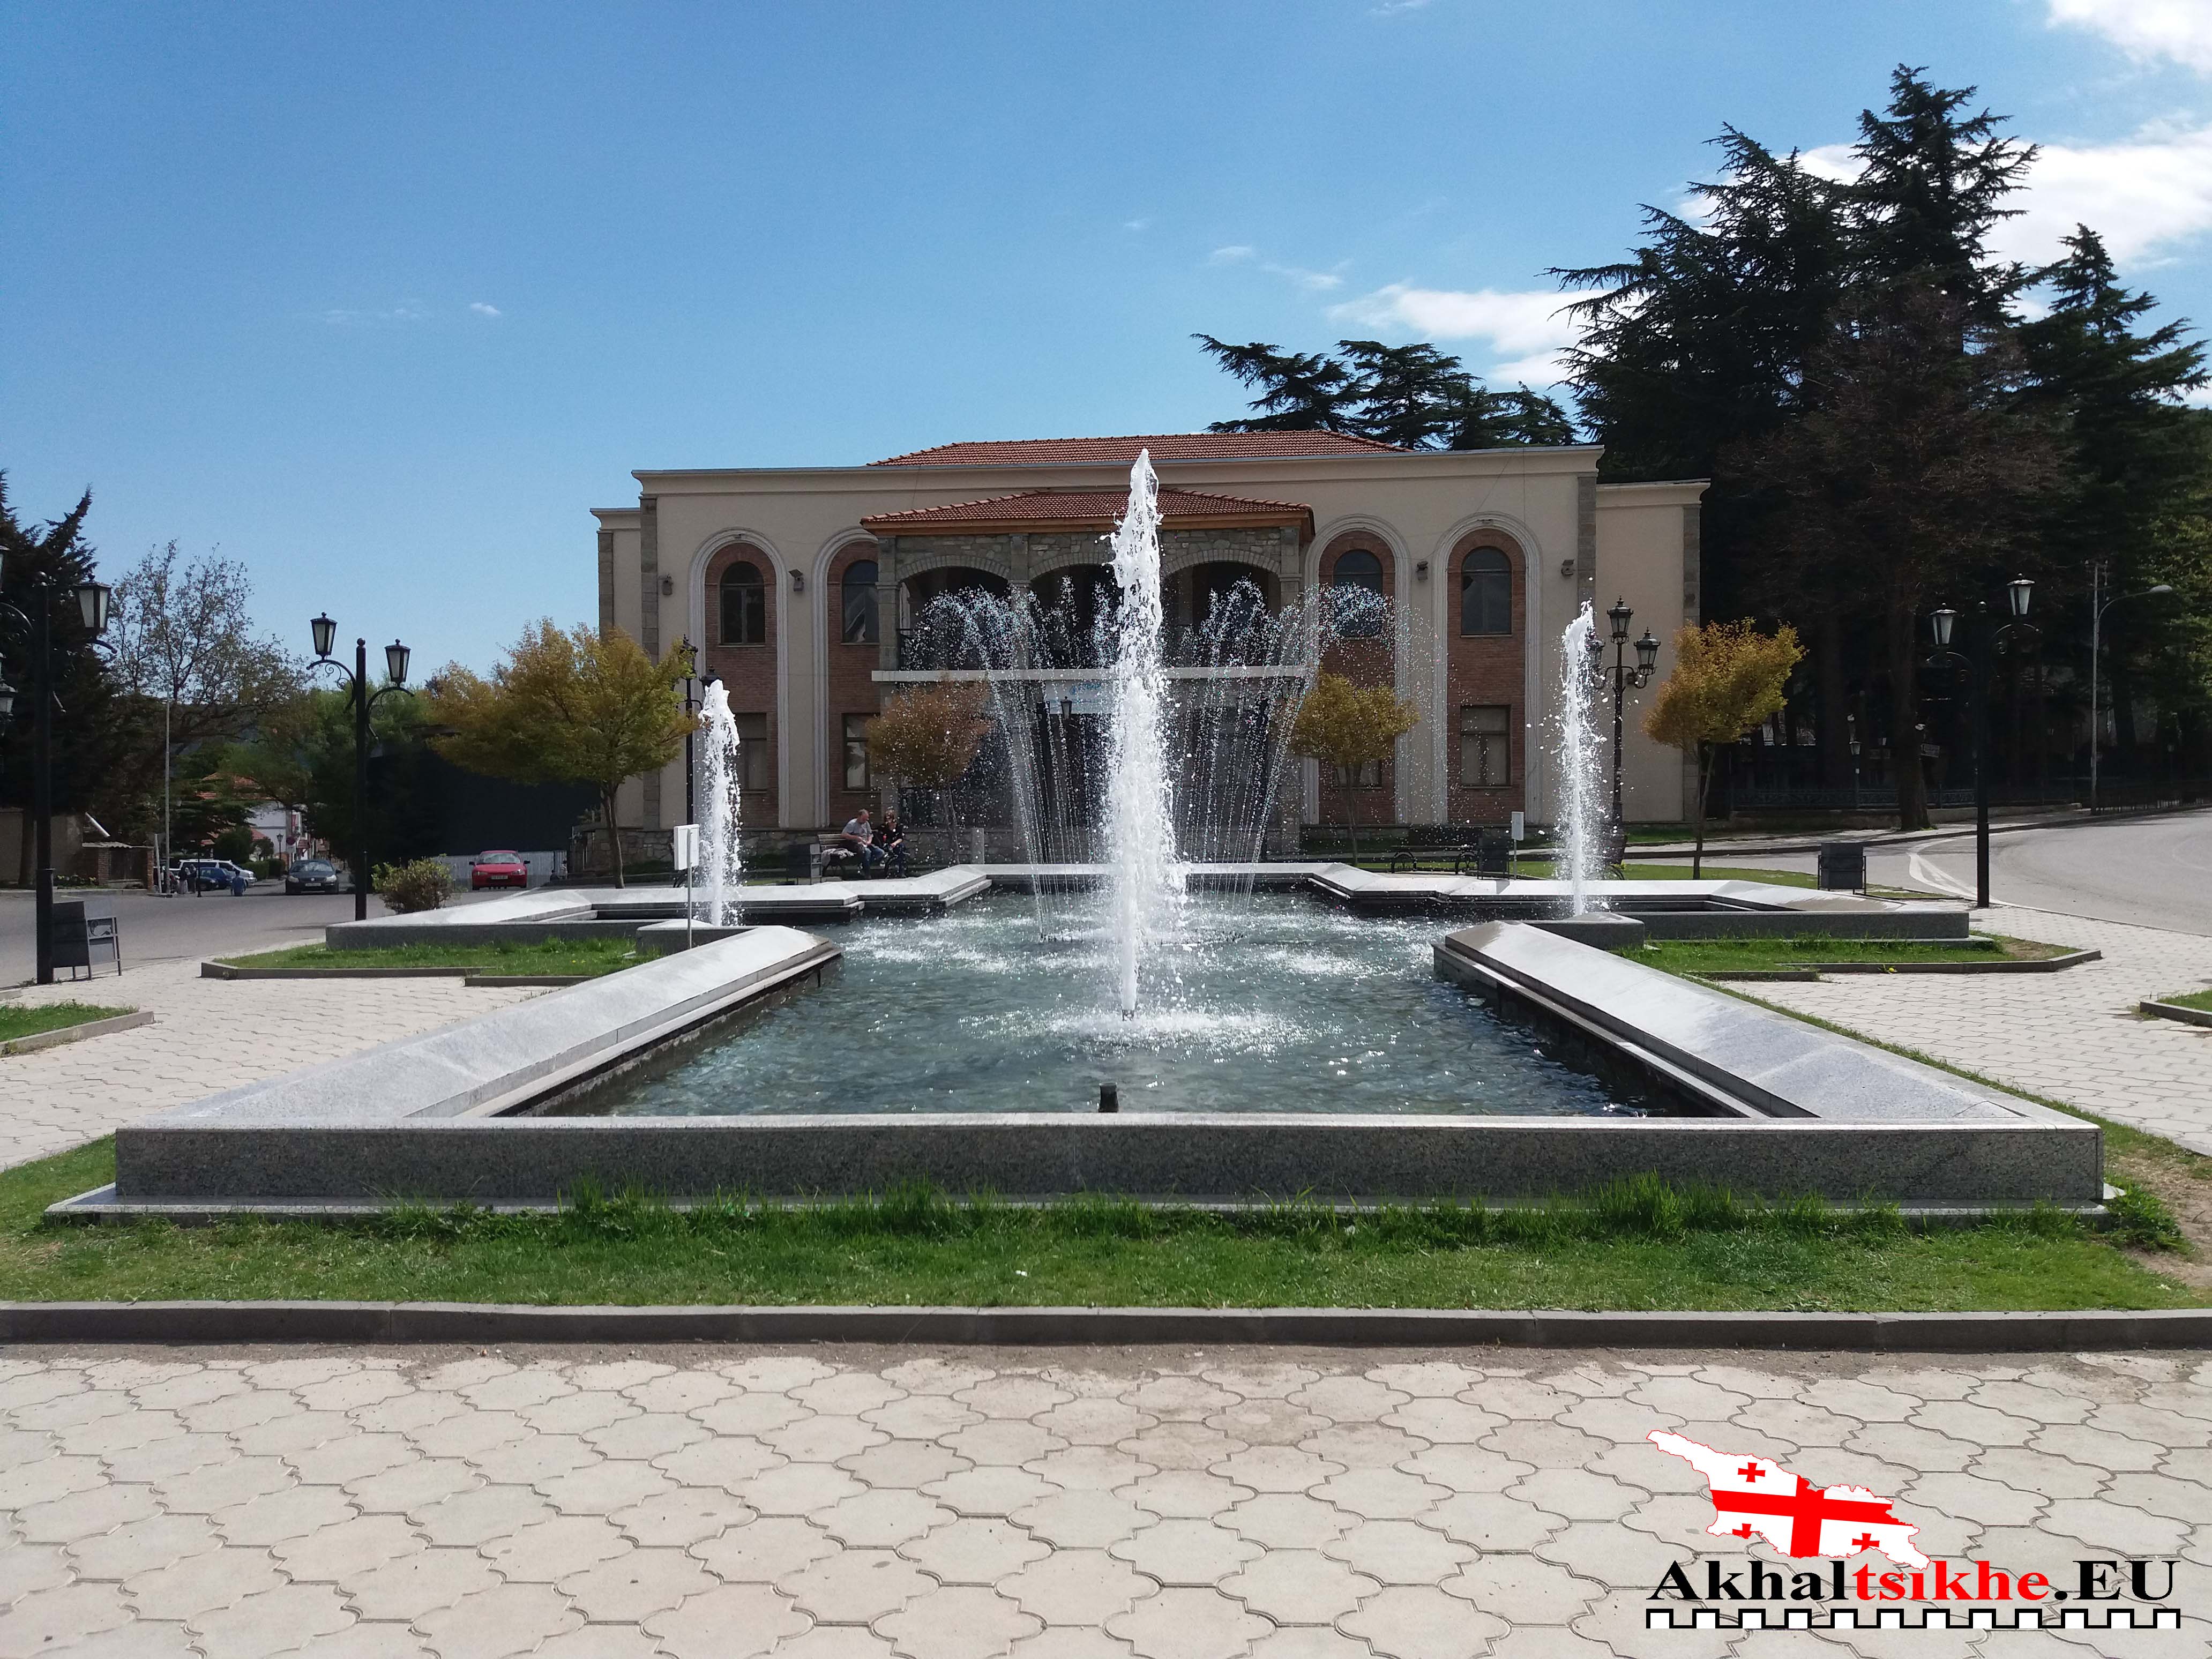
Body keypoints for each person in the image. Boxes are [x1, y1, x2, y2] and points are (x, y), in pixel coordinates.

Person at [839, 809, 886, 874]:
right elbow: (844, 834)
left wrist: (869, 841)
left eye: (866, 819)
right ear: (859, 816)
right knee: (867, 852)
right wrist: (857, 838)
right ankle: (867, 872)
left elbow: (870, 834)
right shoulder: (852, 824)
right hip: (856, 844)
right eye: (863, 819)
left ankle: (865, 865)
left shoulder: (866, 824)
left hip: (866, 844)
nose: (865, 821)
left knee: (880, 853)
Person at [880, 811, 908, 878]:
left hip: (897, 843)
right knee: (898, 851)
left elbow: (901, 838)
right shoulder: (884, 827)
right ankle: (898, 866)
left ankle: (900, 868)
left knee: (900, 848)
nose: (888, 820)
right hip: (888, 845)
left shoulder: (898, 827)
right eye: (887, 819)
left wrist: (895, 843)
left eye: (890, 818)